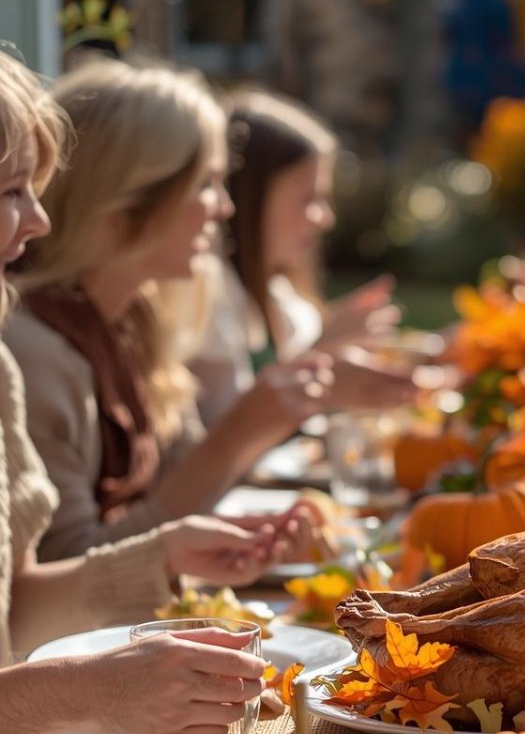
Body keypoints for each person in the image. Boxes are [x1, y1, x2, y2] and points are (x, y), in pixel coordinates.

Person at [7, 59, 408, 563]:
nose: (225, 208)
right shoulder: (34, 351)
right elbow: (68, 565)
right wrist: (241, 431)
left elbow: (176, 496)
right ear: (127, 201)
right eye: (206, 183)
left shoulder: (134, 322)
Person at [0, 51, 268, 734]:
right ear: (129, 200)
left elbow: (15, 609)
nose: (38, 223)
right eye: (9, 193)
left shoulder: (9, 364)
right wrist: (83, 693)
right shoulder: (35, 349)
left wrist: (163, 556)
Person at [193, 89, 405, 426]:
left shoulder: (279, 294)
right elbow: (224, 434)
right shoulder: (206, 299)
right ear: (249, 200)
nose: (325, 218)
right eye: (308, 198)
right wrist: (323, 354)